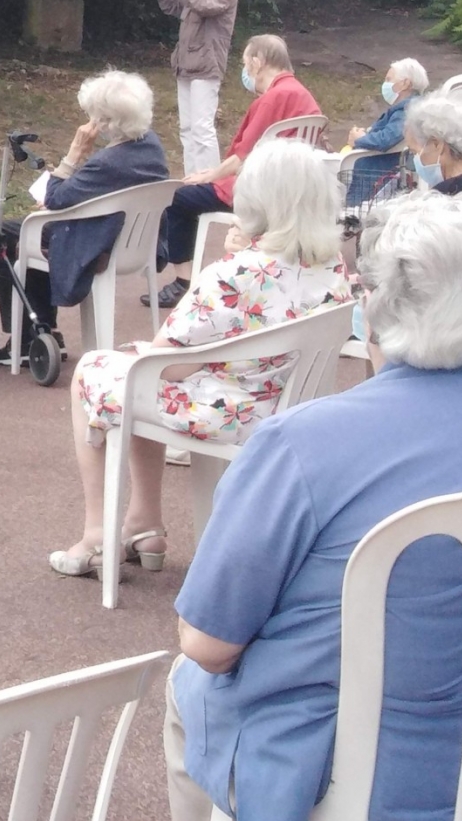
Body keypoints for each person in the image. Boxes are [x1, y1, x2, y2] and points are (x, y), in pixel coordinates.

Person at [161, 191, 462, 821]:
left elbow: (209, 644)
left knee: (189, 682)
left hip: (339, 788)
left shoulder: (302, 445)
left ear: (376, 306)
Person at [50, 140, 350, 579]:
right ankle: (143, 523)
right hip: (287, 404)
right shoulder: (333, 267)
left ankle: (98, 532)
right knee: (138, 375)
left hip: (228, 411)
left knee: (98, 371)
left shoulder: (235, 273)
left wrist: (142, 352)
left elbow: (169, 365)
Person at [0, 70, 171, 340]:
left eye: (94, 115)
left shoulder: (107, 162)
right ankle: (43, 329)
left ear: (107, 121)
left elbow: (55, 197)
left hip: (99, 243)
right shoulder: (151, 146)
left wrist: (74, 154)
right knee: (38, 231)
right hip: (137, 243)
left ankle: (31, 335)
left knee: (2, 232)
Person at [154, 34, 319, 310]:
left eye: (245, 62)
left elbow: (242, 156)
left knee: (178, 198)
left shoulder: (273, 98)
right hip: (291, 190)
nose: (244, 70)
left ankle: (182, 281)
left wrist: (209, 175)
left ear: (257, 62)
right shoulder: (302, 93)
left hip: (256, 190)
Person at [158, 0, 239, 176]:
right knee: (187, 129)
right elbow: (169, 5)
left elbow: (203, 6)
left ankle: (209, 181)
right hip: (185, 65)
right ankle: (191, 179)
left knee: (202, 129)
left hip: (206, 67)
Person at [343, 57, 427, 205]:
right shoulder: (415, 104)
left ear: (405, 83)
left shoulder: (406, 109)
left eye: (389, 80)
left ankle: (348, 209)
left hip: (380, 165)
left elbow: (386, 139)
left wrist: (359, 139)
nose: (385, 85)